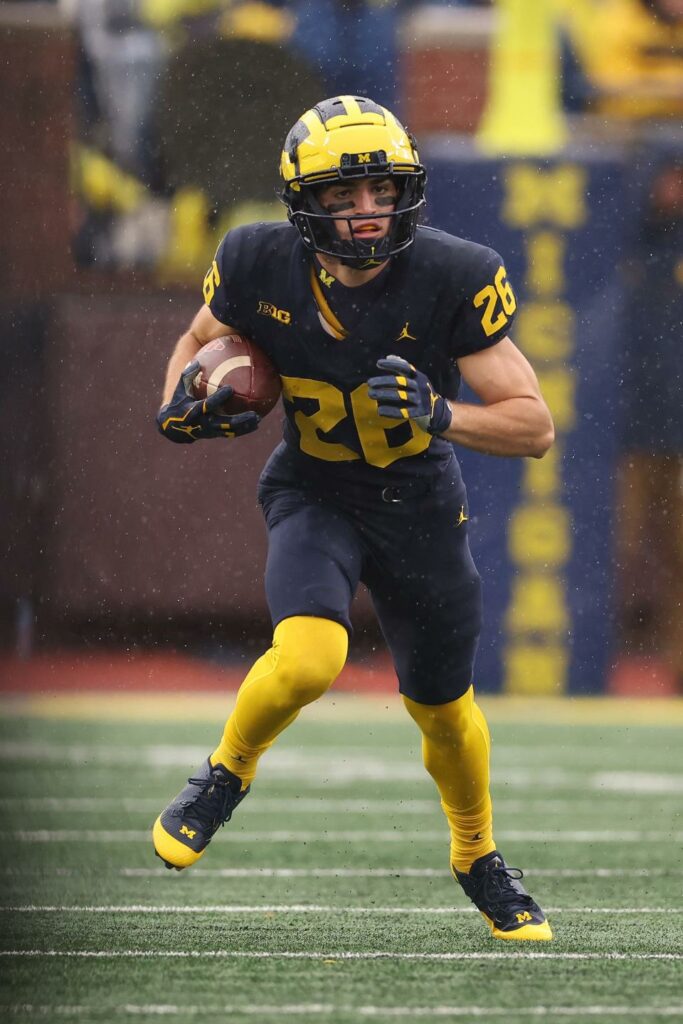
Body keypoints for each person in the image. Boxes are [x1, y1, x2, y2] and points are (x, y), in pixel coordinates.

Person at [153, 95, 555, 941]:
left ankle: (476, 854)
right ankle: (225, 773)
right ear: (305, 204)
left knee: (443, 711)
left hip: (418, 504)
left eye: (381, 190)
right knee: (308, 657)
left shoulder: (453, 274)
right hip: (315, 487)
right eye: (343, 196)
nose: (367, 212)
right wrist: (179, 404)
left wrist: (441, 414)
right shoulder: (255, 260)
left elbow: (533, 426)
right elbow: (197, 343)